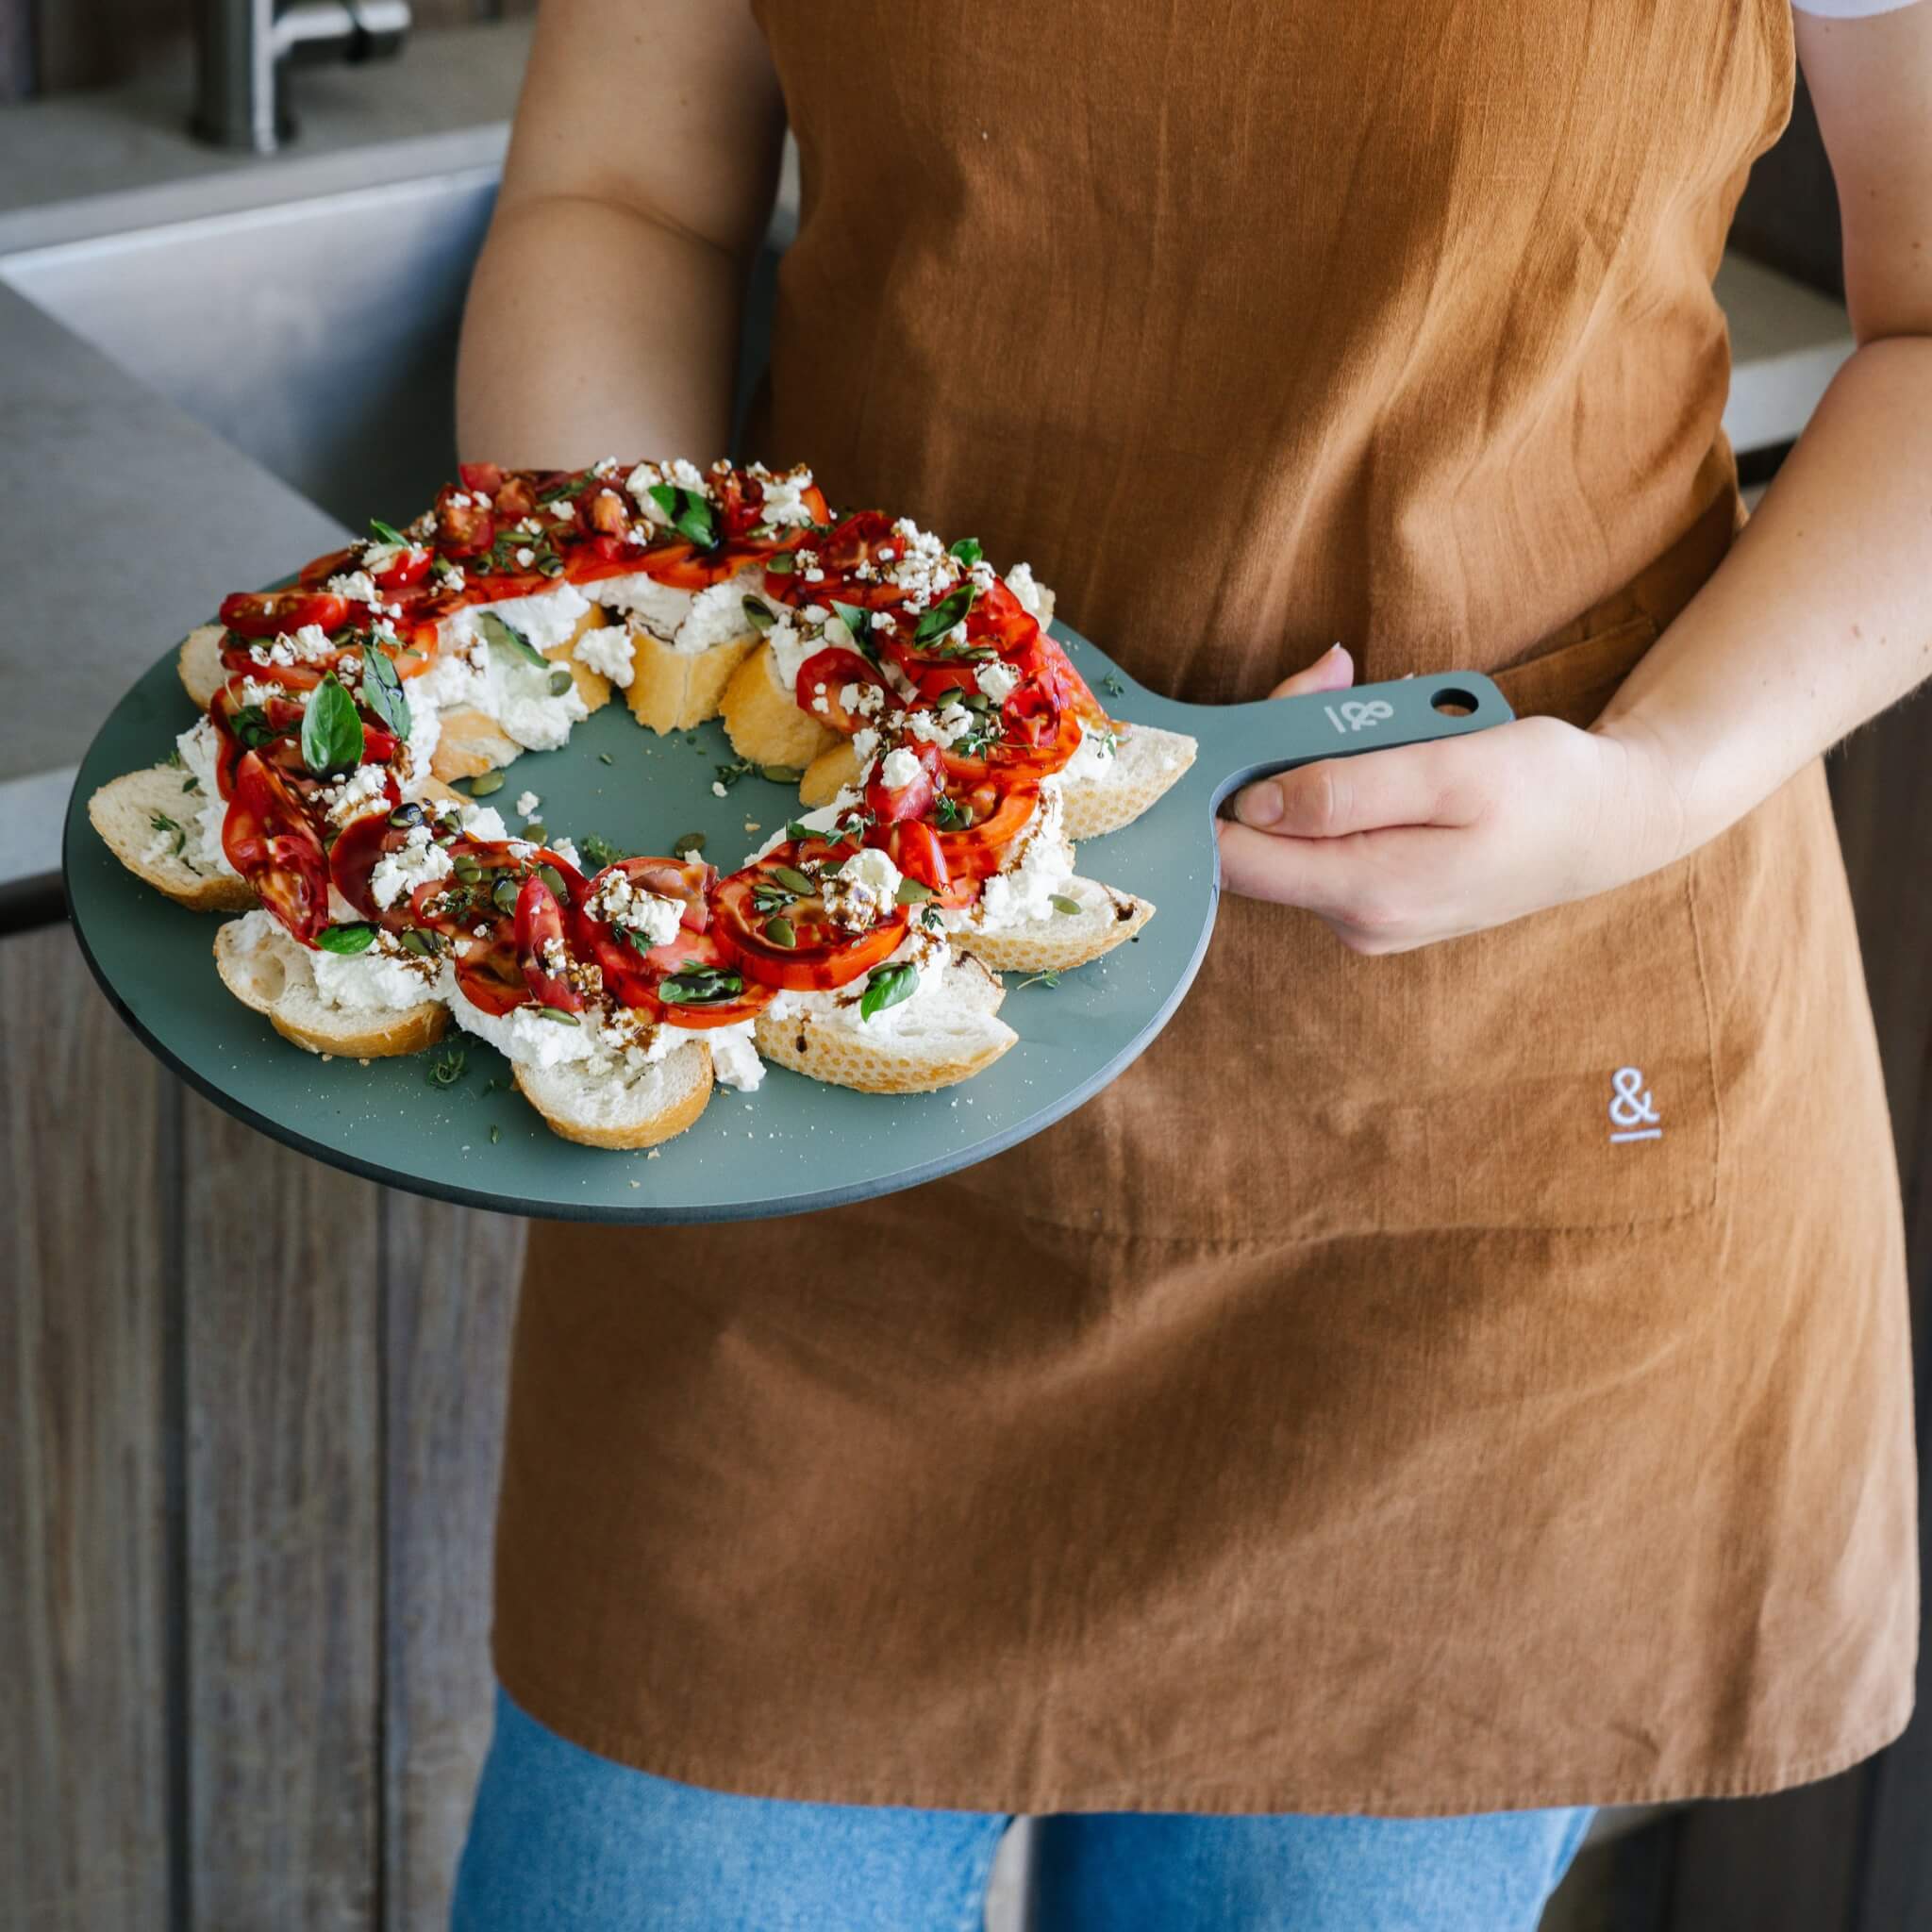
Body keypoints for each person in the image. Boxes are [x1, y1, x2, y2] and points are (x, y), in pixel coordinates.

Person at [449, 2, 1928, 1925]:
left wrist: (1660, 779)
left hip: (1476, 1164)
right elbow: (623, 191)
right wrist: (628, 655)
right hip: (800, 1093)